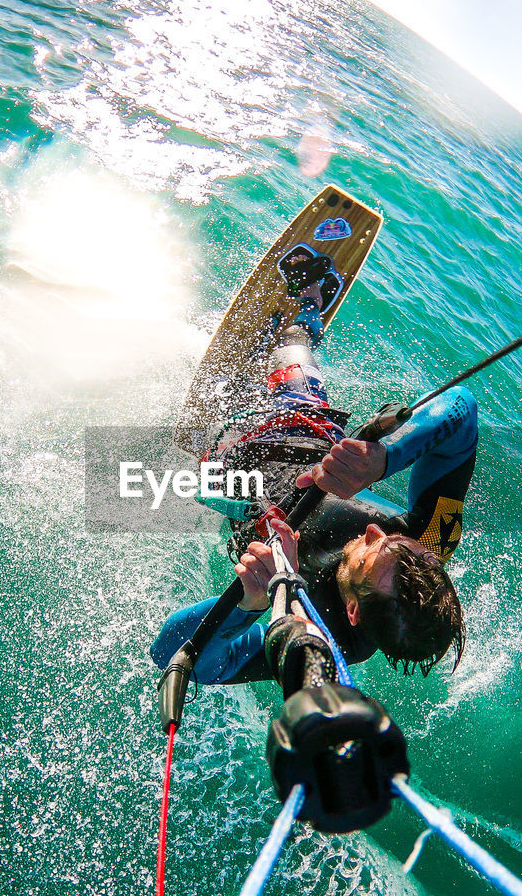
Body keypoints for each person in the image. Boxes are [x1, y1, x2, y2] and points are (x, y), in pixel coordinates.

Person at [150, 266, 478, 684]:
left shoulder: (320, 633)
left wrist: (249, 602)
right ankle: (307, 310)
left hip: (239, 474)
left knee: (216, 423)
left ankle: (241, 387)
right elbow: (462, 407)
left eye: (370, 555)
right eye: (400, 545)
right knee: (294, 348)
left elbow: (175, 657)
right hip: (307, 426)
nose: (378, 530)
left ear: (354, 612)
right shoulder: (434, 540)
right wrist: (385, 457)